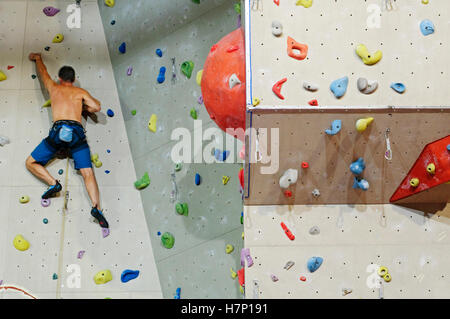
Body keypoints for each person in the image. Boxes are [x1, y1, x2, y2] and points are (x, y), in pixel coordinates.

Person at [27, 53, 109, 229]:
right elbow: (97, 107)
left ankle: (53, 184)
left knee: (31, 162)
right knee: (87, 173)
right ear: (74, 79)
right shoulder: (80, 92)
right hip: (76, 132)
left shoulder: (54, 87)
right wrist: (83, 108)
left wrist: (38, 59)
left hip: (58, 131)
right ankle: (97, 208)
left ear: (60, 78)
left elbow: (43, 74)